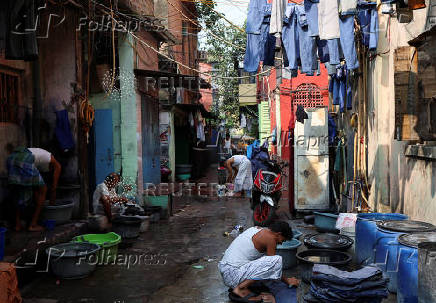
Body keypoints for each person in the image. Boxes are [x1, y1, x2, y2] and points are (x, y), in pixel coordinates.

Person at [218, 221, 300, 303]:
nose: (281, 243)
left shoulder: (256, 229)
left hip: (226, 270)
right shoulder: (271, 239)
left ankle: (241, 287)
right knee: (276, 260)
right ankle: (241, 289)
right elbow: (273, 266)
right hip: (233, 274)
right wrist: (287, 280)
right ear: (278, 234)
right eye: (283, 240)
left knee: (267, 267)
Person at [7, 146, 61, 232]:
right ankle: (33, 224)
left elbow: (35, 185)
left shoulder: (39, 158)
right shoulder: (54, 162)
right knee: (43, 190)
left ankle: (17, 225)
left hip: (11, 158)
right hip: (25, 159)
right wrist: (52, 203)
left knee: (19, 191)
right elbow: (54, 187)